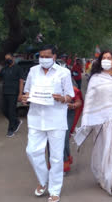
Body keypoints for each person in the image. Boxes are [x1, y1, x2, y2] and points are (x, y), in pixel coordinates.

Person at [74, 50, 112, 196]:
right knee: (101, 150)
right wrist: (87, 119)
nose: (106, 60)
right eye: (104, 58)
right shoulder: (95, 78)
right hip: (99, 121)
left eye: (109, 58)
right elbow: (89, 100)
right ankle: (101, 176)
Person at [22, 45, 74, 202]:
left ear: (54, 56)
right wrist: (25, 98)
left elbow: (70, 95)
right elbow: (27, 91)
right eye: (41, 56)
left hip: (56, 119)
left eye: (47, 56)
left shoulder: (63, 72)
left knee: (56, 157)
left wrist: (62, 98)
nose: (43, 59)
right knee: (32, 151)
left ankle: (55, 189)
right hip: (36, 118)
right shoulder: (33, 71)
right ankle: (44, 180)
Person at [0, 53, 24, 137]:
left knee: (11, 111)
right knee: (4, 110)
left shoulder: (18, 68)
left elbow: (21, 81)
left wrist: (20, 94)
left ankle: (11, 129)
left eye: (9, 58)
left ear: (13, 58)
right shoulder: (4, 69)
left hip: (14, 93)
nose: (7, 60)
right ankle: (16, 121)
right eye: (6, 59)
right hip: (4, 92)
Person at [64, 86, 83, 173]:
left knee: (64, 137)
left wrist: (73, 105)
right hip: (52, 116)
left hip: (68, 114)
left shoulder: (72, 89)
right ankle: (55, 164)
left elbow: (79, 102)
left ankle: (64, 163)